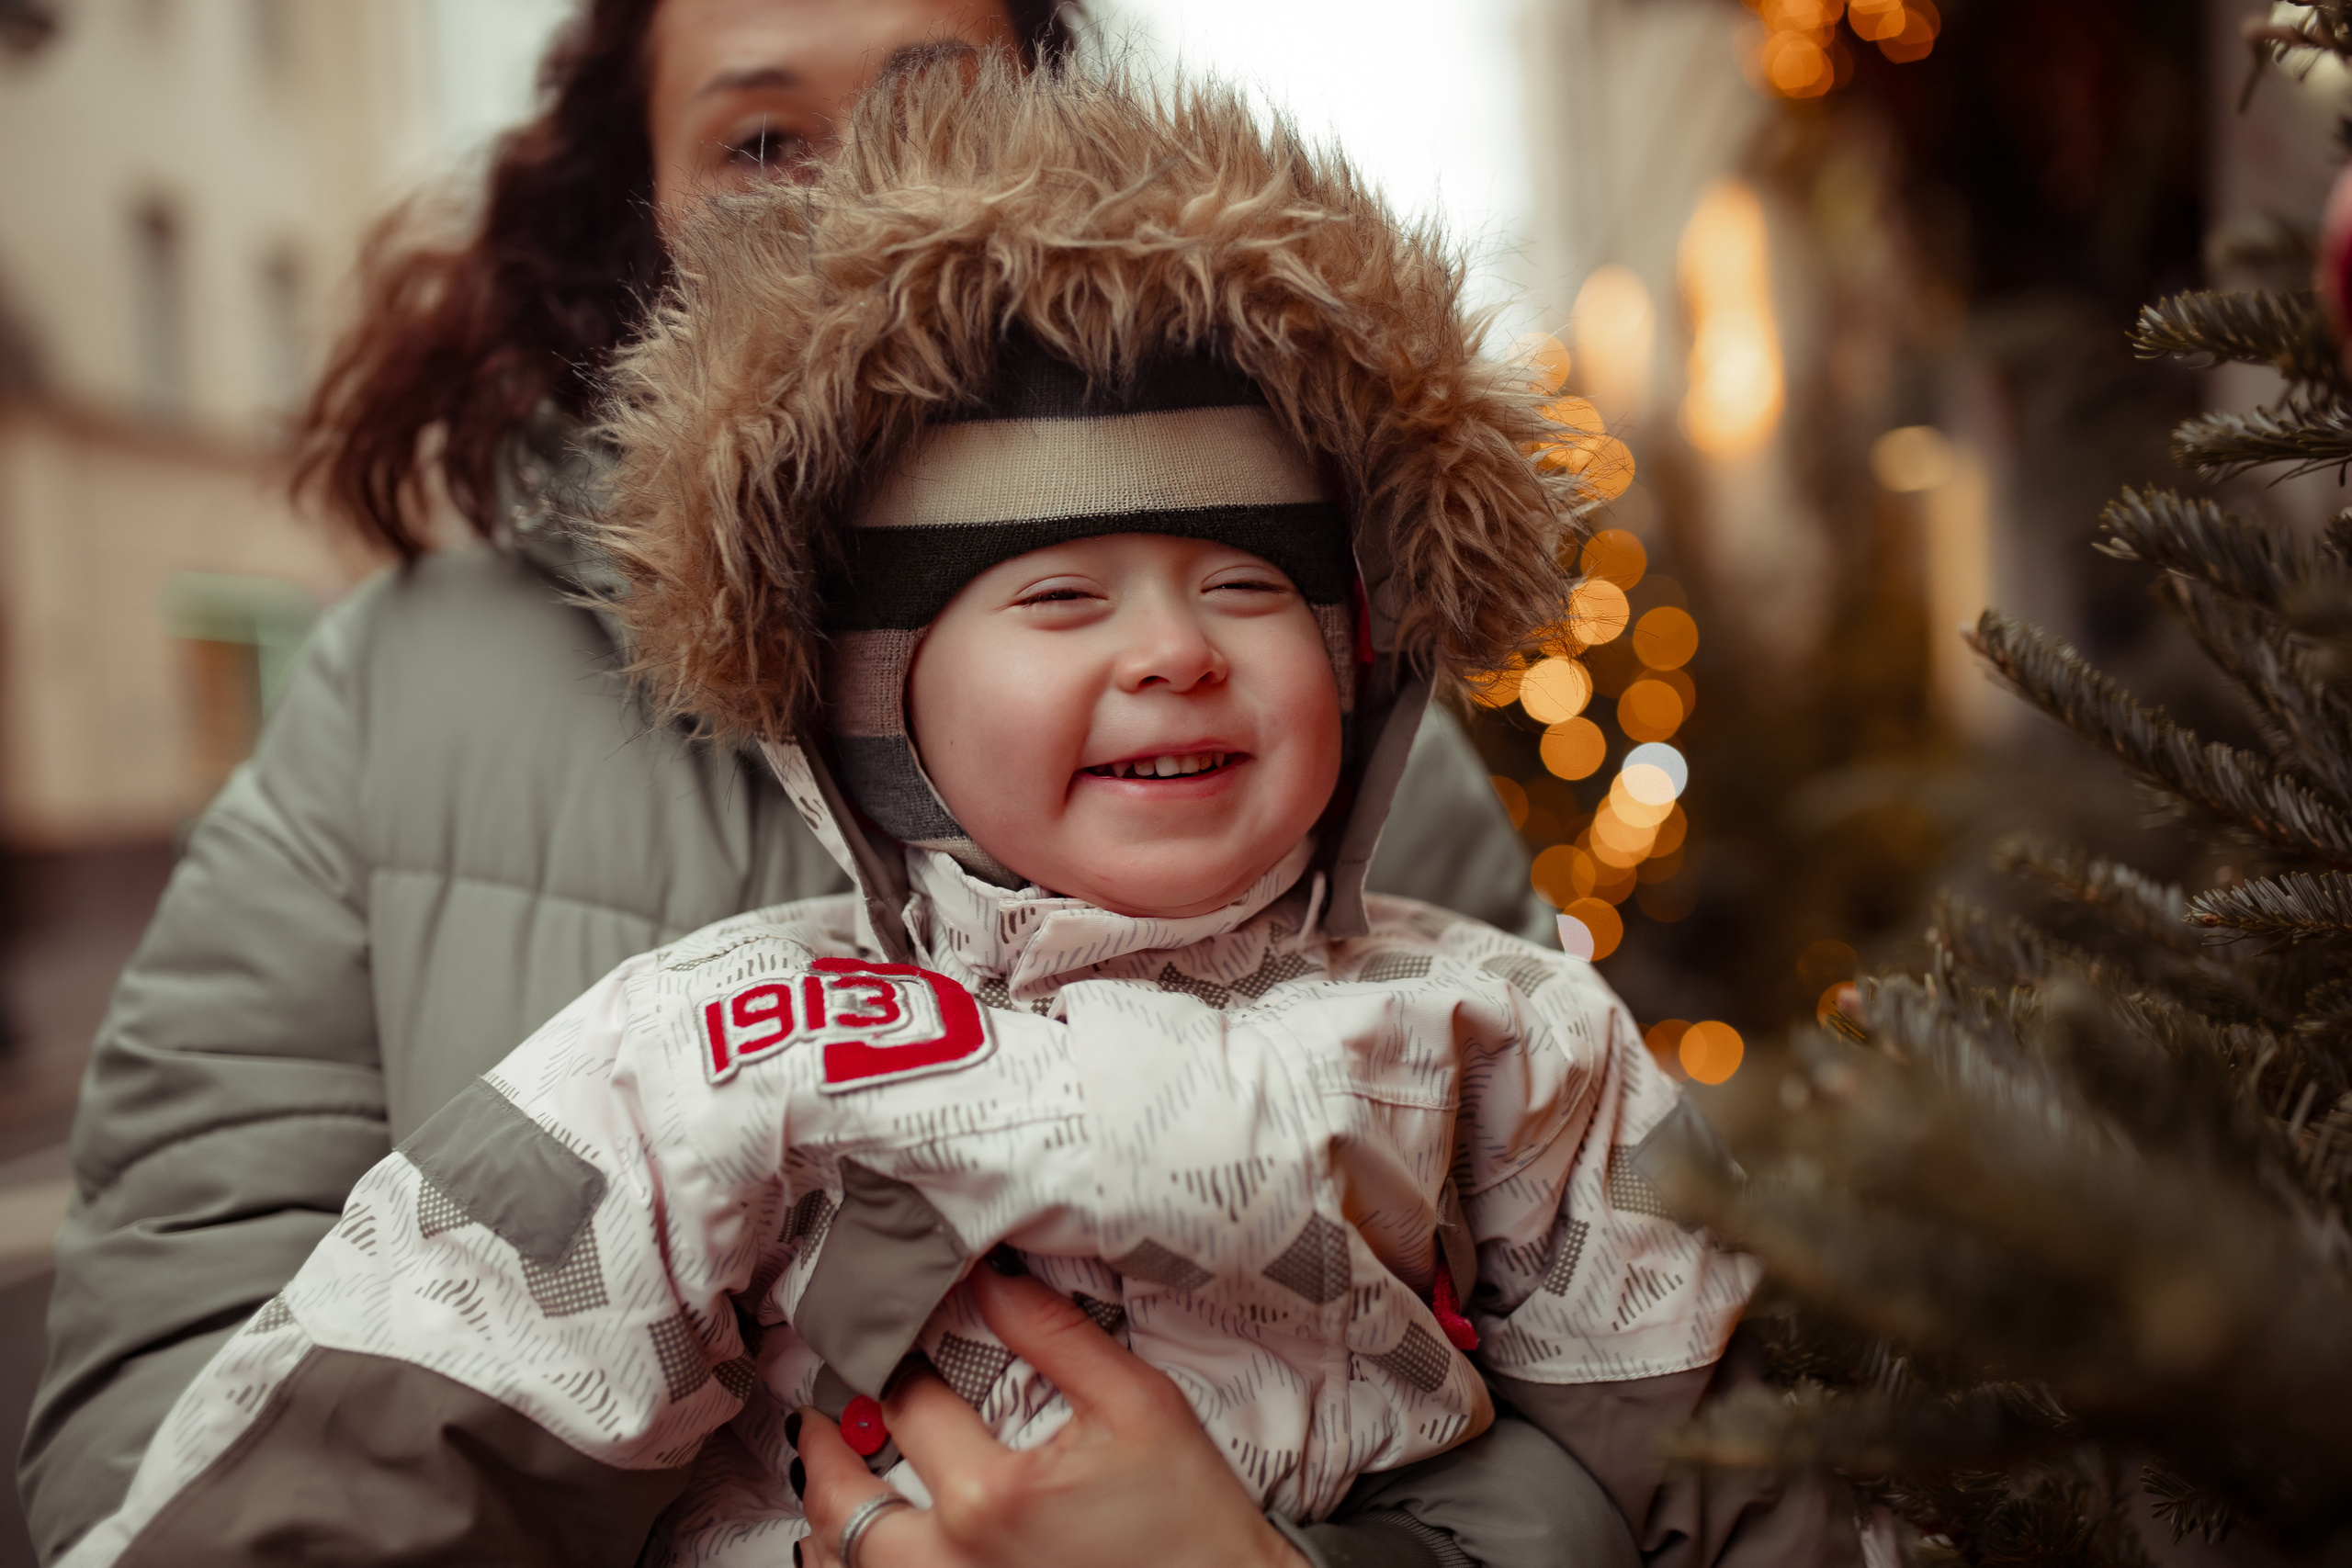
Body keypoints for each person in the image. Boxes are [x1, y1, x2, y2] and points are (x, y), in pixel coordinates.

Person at [48, 56, 1858, 1568]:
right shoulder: (719, 1045)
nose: (1169, 652)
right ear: (872, 700)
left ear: (1363, 659)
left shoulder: (1505, 1026)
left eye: (1246, 589)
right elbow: (371, 1431)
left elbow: (1731, 1450)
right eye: (1058, 601)